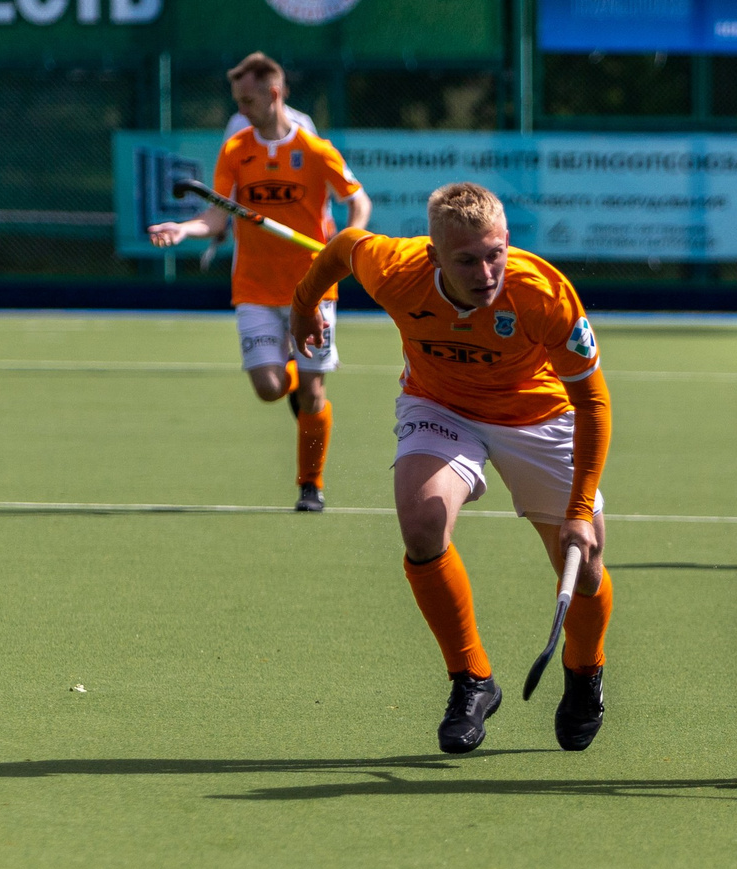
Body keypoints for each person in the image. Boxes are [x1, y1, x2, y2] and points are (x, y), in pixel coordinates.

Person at [290, 181, 612, 754]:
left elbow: (592, 402)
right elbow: (342, 246)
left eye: (495, 254)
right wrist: (303, 305)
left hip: (538, 415)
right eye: (466, 260)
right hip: (441, 405)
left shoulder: (543, 293)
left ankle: (584, 671)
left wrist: (581, 509)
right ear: (434, 256)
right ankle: (472, 679)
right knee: (420, 523)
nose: (486, 272)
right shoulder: (395, 269)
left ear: (507, 241)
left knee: (584, 564)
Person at [149, 53, 371, 512]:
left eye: (247, 99)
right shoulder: (236, 150)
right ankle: (292, 363)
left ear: (273, 93)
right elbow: (215, 217)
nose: (240, 109)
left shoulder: (315, 150)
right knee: (271, 388)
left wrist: (349, 244)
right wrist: (183, 229)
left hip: (312, 287)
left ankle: (310, 485)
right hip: (254, 287)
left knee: (312, 393)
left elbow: (358, 201)